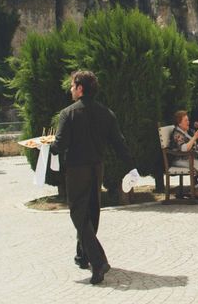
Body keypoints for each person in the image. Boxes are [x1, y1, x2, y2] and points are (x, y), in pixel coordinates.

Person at [49, 70, 134, 284]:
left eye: (72, 86)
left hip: (77, 169)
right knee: (92, 211)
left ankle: (98, 261)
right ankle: (82, 254)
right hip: (97, 168)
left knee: (78, 214)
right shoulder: (107, 113)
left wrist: (49, 146)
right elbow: (119, 142)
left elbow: (60, 144)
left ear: (80, 88)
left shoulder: (68, 113)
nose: (70, 89)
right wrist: (132, 166)